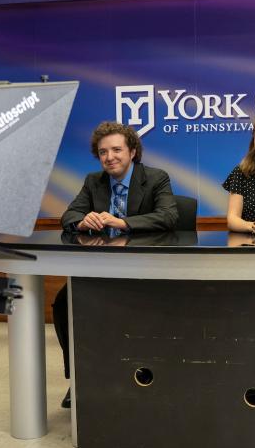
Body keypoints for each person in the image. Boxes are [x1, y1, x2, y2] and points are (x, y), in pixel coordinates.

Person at [53, 121, 178, 406]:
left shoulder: (156, 178)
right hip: (100, 269)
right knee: (64, 303)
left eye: (117, 150)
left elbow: (169, 216)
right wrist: (82, 221)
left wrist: (123, 223)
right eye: (103, 152)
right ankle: (79, 378)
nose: (110, 157)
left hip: (145, 270)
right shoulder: (92, 181)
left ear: (133, 151)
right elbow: (68, 215)